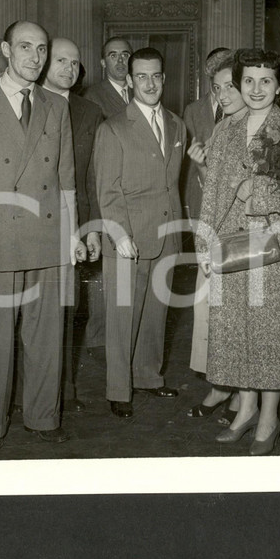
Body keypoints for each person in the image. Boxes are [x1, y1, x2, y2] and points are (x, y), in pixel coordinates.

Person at [0, 21, 83, 449]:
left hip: (48, 235)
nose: (35, 57)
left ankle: (43, 417)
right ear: (6, 50)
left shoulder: (55, 105)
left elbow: (66, 179)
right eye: (26, 47)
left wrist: (72, 234)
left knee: (47, 338)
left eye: (42, 49)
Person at [195, 48, 280, 455]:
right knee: (237, 330)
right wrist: (203, 240)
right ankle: (246, 408)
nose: (255, 89)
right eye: (248, 81)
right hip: (231, 243)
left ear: (279, 86)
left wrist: (256, 192)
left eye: (265, 81)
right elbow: (212, 191)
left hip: (276, 245)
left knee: (271, 333)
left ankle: (269, 416)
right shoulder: (225, 130)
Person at [93, 47, 185, 419]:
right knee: (122, 316)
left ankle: (148, 375)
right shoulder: (113, 128)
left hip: (167, 234)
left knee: (155, 312)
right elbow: (107, 189)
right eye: (142, 76)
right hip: (127, 237)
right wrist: (119, 234)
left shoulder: (177, 124)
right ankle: (118, 389)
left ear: (164, 79)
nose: (150, 84)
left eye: (156, 76)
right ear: (129, 81)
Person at [40, 37, 105, 412]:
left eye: (74, 62)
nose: (68, 68)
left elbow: (93, 175)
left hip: (74, 224)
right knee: (30, 313)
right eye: (60, 60)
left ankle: (62, 392)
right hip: (29, 223)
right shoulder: (28, 103)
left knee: (67, 308)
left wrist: (92, 227)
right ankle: (29, 393)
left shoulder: (89, 112)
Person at [183, 48, 243, 424]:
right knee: (210, 312)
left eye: (229, 85)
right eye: (217, 87)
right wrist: (202, 166)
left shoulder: (256, 126)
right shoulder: (221, 128)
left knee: (235, 317)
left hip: (242, 238)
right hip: (215, 233)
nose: (221, 94)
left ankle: (236, 393)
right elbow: (214, 190)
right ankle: (223, 385)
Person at [182, 47, 230, 224]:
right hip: (200, 202)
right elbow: (188, 164)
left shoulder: (242, 106)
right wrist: (186, 204)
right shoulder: (193, 110)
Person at [83, 36, 133, 119]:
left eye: (125, 55)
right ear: (103, 63)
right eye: (113, 56)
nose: (120, 60)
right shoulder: (92, 95)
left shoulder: (140, 90)